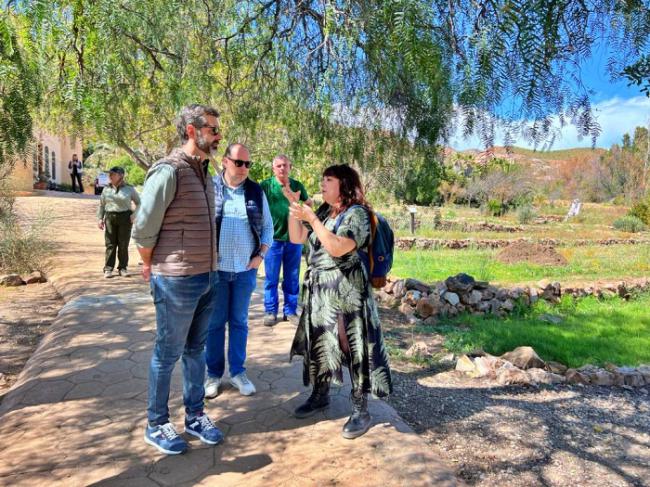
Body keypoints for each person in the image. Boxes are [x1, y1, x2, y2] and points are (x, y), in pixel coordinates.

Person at [132, 104, 224, 455]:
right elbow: (143, 229)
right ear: (191, 130)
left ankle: (195, 416)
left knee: (195, 351)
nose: (217, 135)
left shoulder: (205, 171)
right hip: (175, 280)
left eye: (217, 129)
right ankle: (156, 424)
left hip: (207, 277)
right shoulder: (168, 171)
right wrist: (150, 266)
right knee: (166, 354)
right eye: (212, 129)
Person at [285, 164, 393, 439]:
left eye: (328, 179)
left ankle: (360, 409)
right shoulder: (324, 211)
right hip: (321, 292)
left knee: (351, 347)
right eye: (321, 179)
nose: (322, 184)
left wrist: (313, 219)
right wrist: (295, 212)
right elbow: (298, 238)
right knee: (320, 343)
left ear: (343, 184)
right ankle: (320, 395)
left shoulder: (356, 214)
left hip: (347, 294)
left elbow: (337, 247)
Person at [204, 143, 274, 399]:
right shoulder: (210, 188)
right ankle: (212, 375)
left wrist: (260, 256)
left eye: (248, 164)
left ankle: (237, 373)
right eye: (239, 162)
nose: (244, 168)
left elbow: (268, 227)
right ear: (225, 162)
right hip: (217, 271)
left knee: (239, 322)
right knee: (214, 324)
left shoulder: (256, 192)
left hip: (245, 271)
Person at [260, 155, 312, 326]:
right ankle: (270, 311)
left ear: (290, 167)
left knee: (292, 277)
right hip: (272, 240)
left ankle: (290, 311)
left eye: (285, 165)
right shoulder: (266, 186)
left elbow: (309, 204)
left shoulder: (297, 186)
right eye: (279, 166)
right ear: (274, 168)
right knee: (271, 277)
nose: (282, 168)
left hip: (294, 240)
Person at [97, 166, 140, 278]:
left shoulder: (129, 189)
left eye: (112, 174)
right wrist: (100, 218)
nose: (110, 176)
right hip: (110, 217)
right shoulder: (106, 189)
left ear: (120, 176)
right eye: (109, 174)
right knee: (110, 244)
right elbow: (102, 205)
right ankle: (108, 269)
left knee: (123, 244)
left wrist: (134, 215)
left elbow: (139, 203)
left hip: (125, 218)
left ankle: (123, 268)